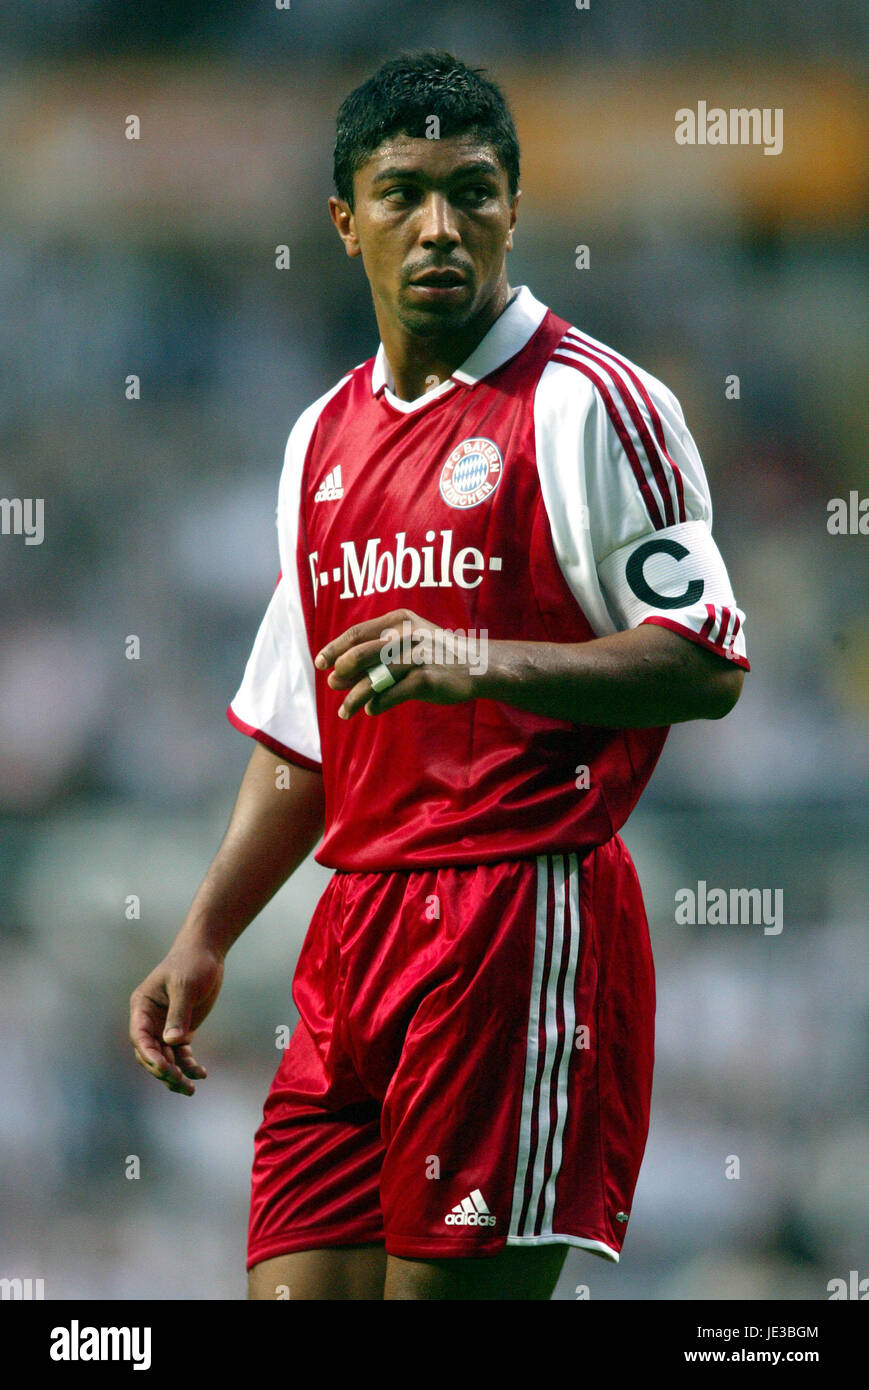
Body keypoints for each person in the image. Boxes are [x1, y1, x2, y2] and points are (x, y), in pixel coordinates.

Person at [129, 50, 749, 1301]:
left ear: (515, 209)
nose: (438, 226)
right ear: (341, 219)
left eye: (472, 191)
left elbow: (706, 660)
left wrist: (475, 662)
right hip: (352, 934)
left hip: (518, 914)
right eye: (402, 191)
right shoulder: (320, 436)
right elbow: (306, 729)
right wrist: (204, 934)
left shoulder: (589, 404)